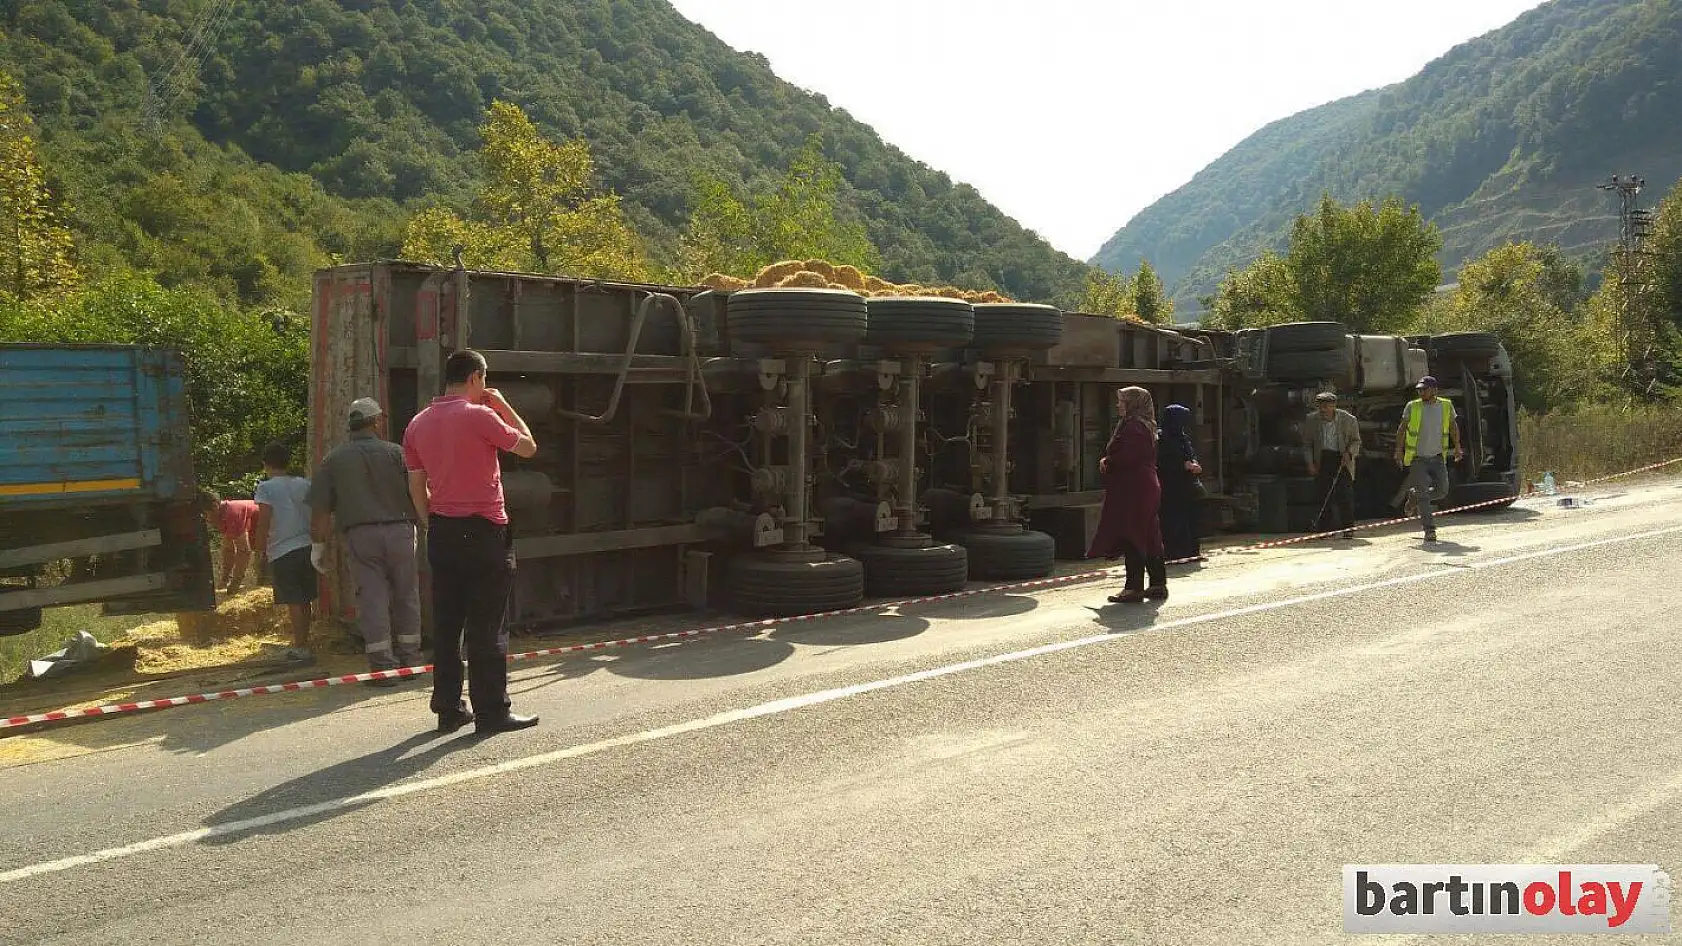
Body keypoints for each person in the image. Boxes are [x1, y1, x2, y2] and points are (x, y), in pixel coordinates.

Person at [403, 349, 540, 735]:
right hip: (484, 532)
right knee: (488, 625)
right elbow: (528, 446)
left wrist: (430, 522)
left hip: (442, 531)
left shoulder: (417, 424)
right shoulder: (480, 416)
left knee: (447, 626)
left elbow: (416, 483)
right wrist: (503, 404)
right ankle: (491, 711)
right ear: (477, 378)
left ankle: (448, 708)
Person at [308, 397, 424, 687]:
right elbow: (419, 492)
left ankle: (383, 665)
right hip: (401, 531)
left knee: (372, 598)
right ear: (376, 422)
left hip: (362, 535)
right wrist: (426, 523)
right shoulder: (398, 454)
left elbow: (321, 509)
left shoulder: (334, 460)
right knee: (407, 594)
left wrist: (318, 546)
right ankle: (411, 660)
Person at [1089, 386, 1167, 603]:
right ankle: (1158, 584)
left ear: (1133, 404)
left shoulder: (1133, 427)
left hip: (1134, 487)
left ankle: (1133, 588)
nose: (1118, 405)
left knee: (1132, 534)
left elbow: (1129, 456)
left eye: (1122, 401)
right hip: (1146, 485)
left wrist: (1108, 461)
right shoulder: (1146, 425)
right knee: (1150, 534)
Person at [253, 442, 317, 664]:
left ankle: (300, 648)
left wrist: (258, 552)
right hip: (307, 545)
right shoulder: (303, 484)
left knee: (294, 600)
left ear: (265, 464)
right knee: (306, 598)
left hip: (282, 550)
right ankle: (304, 643)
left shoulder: (266, 488)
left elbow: (263, 522)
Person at [1393, 376, 1464, 543]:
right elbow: (1402, 428)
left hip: (1438, 457)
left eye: (1424, 389)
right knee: (1425, 494)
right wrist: (1398, 450)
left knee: (1442, 491)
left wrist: (1458, 446)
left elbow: (1453, 426)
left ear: (1434, 390)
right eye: (1419, 389)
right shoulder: (1413, 406)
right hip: (1418, 458)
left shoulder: (1446, 405)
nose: (1421, 392)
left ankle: (1414, 496)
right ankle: (1429, 530)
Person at [1303, 391, 1362, 539]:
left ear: (1334, 405)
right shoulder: (1311, 420)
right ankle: (1324, 529)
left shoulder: (1349, 420)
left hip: (1342, 458)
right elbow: (1307, 444)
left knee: (1345, 495)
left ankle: (1348, 528)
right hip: (1322, 458)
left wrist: (1349, 454)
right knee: (1323, 495)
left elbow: (1356, 441)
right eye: (1321, 406)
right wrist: (1310, 463)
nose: (1323, 410)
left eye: (1327, 406)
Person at [1155, 403, 1205, 562]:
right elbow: (1159, 462)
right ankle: (1174, 552)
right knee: (1173, 520)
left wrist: (1194, 464)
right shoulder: (1161, 438)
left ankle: (1191, 551)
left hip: (1186, 485)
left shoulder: (1182, 437)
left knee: (1191, 518)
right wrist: (1181, 465)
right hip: (1170, 486)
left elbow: (1190, 454)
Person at [199, 488, 259, 594]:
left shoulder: (232, 514)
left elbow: (244, 551)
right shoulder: (222, 515)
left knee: (263, 577)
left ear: (215, 507)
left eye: (205, 514)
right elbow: (228, 549)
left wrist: (235, 583)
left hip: (276, 536)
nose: (205, 519)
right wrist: (224, 580)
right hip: (265, 539)